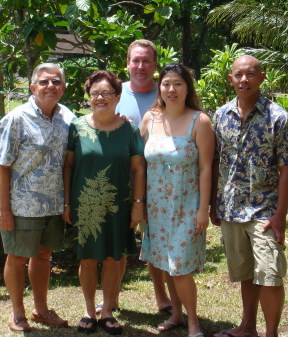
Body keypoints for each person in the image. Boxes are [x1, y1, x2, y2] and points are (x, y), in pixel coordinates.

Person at [210, 55, 288, 337]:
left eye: (250, 74)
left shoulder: (279, 119)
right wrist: (214, 203)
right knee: (245, 273)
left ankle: (271, 333)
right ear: (231, 79)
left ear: (262, 77)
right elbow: (216, 161)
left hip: (265, 211)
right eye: (238, 74)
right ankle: (247, 327)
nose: (244, 80)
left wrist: (280, 216)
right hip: (232, 208)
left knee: (270, 275)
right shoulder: (221, 115)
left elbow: (287, 168)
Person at [62, 70, 146, 335]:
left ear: (118, 96)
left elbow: (138, 170)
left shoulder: (129, 130)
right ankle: (89, 310)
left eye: (107, 93)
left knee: (112, 258)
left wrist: (137, 204)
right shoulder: (76, 127)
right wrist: (66, 203)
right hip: (84, 206)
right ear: (88, 97)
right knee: (87, 259)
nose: (101, 98)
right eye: (95, 93)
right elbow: (68, 167)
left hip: (118, 206)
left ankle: (107, 311)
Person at [0, 63, 75, 332]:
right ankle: (17, 313)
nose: (50, 86)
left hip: (53, 204)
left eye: (56, 81)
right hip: (22, 204)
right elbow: (2, 164)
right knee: (17, 256)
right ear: (32, 87)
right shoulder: (16, 118)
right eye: (44, 81)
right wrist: (4, 208)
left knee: (43, 255)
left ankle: (40, 309)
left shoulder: (68, 118)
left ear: (63, 88)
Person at [140, 63, 215, 337]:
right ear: (159, 87)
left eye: (178, 84)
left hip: (186, 206)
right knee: (166, 263)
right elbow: (138, 161)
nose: (171, 89)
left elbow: (207, 168)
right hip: (156, 207)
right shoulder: (150, 119)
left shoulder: (200, 121)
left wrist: (203, 210)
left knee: (180, 267)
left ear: (188, 88)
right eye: (166, 83)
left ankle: (193, 321)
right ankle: (176, 314)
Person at [104, 39, 173, 315]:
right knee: (118, 242)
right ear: (127, 64)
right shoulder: (114, 94)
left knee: (154, 241)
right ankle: (111, 300)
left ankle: (162, 298)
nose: (140, 66)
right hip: (121, 180)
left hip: (159, 181)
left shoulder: (166, 93)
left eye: (146, 61)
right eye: (136, 60)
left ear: (155, 65)